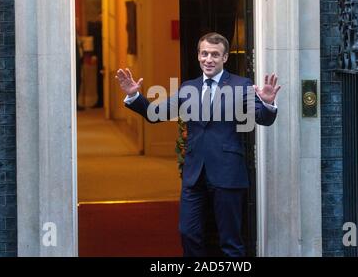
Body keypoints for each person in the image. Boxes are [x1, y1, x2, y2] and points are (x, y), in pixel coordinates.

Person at [116, 32, 281, 257]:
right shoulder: (188, 88)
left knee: (230, 241)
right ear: (198, 56)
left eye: (214, 54)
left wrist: (268, 104)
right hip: (194, 174)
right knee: (188, 233)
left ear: (225, 58)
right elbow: (156, 114)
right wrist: (135, 97)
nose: (208, 59)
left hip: (227, 173)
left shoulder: (241, 85)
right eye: (204, 54)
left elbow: (262, 118)